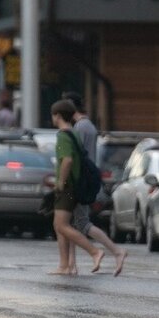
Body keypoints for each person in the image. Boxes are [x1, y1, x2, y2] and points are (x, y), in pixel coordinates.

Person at [58, 91, 126, 276]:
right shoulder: (87, 125)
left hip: (79, 181)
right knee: (71, 222)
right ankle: (71, 265)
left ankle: (115, 251)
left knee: (81, 222)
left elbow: (74, 157)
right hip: (83, 179)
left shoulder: (81, 128)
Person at [49, 100, 104, 275]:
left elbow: (67, 160)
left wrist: (60, 182)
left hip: (67, 187)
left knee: (62, 225)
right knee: (60, 225)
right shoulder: (74, 134)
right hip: (75, 185)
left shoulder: (63, 136)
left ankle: (94, 251)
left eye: (53, 115)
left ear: (57, 116)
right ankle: (64, 265)